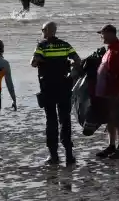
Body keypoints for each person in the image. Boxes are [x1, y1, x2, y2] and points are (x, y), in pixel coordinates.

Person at [31, 21, 81, 165]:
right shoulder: (65, 45)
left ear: (47, 31)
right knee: (65, 120)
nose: (42, 32)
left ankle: (53, 155)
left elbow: (34, 63)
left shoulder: (42, 45)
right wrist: (70, 71)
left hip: (48, 88)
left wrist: (40, 59)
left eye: (42, 29)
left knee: (51, 120)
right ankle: (69, 155)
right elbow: (77, 60)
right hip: (64, 87)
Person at [93, 24, 119, 160]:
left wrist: (117, 87)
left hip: (116, 88)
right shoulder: (110, 49)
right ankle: (111, 145)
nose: (101, 37)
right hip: (107, 89)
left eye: (102, 34)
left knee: (118, 117)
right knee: (110, 118)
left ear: (110, 33)